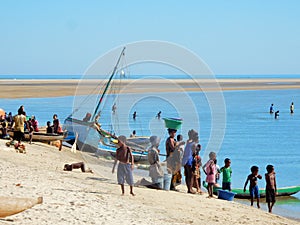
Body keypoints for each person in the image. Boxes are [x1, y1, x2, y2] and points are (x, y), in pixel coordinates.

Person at [182, 129, 199, 194]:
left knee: (187, 174)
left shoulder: (188, 142)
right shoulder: (193, 144)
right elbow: (194, 154)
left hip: (185, 159)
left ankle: (189, 188)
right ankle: (190, 188)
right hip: (189, 160)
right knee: (191, 175)